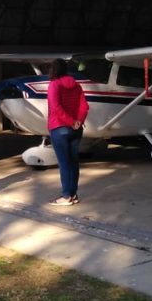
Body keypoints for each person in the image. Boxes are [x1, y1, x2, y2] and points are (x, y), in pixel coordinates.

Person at [46, 58, 89, 206]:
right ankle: (73, 194)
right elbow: (85, 106)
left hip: (59, 128)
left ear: (53, 69)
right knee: (73, 163)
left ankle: (66, 196)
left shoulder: (54, 84)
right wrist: (78, 121)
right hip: (76, 129)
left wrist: (70, 121)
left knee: (64, 164)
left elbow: (56, 108)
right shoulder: (77, 85)